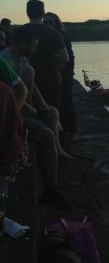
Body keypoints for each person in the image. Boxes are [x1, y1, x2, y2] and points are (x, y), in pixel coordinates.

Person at [0, 54, 71, 211]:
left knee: (47, 133)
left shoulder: (3, 64)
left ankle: (50, 190)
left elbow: (21, 89)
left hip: (9, 113)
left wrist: (13, 115)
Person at [1, 26, 72, 159]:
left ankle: (58, 150)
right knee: (45, 131)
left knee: (52, 112)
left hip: (25, 105)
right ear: (23, 44)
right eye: (33, 46)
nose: (35, 49)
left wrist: (43, 104)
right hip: (13, 109)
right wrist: (29, 108)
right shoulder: (5, 60)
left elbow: (33, 87)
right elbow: (9, 94)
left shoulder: (22, 58)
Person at [25, 0, 68, 109]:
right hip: (51, 79)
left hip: (26, 80)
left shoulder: (19, 31)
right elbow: (64, 58)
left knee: (29, 114)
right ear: (43, 13)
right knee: (51, 112)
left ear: (27, 12)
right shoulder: (54, 33)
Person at [44, 12, 77, 136]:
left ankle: (70, 131)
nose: (47, 25)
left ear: (56, 23)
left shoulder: (62, 37)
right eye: (45, 22)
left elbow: (68, 58)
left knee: (66, 103)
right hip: (56, 75)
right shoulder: (49, 37)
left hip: (65, 75)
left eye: (50, 22)